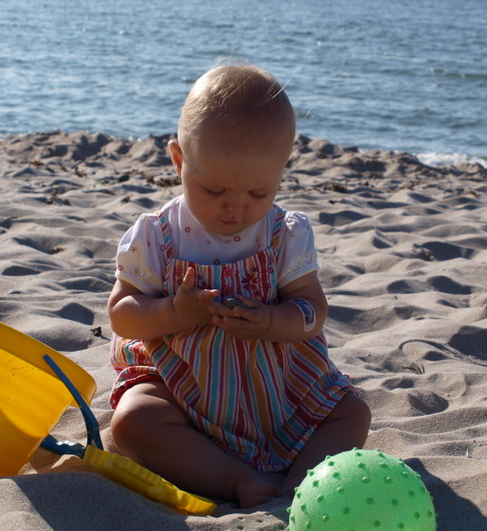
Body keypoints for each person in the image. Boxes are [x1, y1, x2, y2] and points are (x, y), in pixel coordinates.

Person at [106, 63, 371, 508]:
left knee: (352, 413)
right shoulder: (155, 236)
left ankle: (295, 490)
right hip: (180, 380)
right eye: (215, 190)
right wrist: (174, 312)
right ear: (178, 160)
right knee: (133, 421)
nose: (236, 209)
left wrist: (272, 320)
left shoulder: (283, 234)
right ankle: (235, 480)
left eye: (259, 193)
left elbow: (312, 312)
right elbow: (121, 315)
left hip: (276, 388)